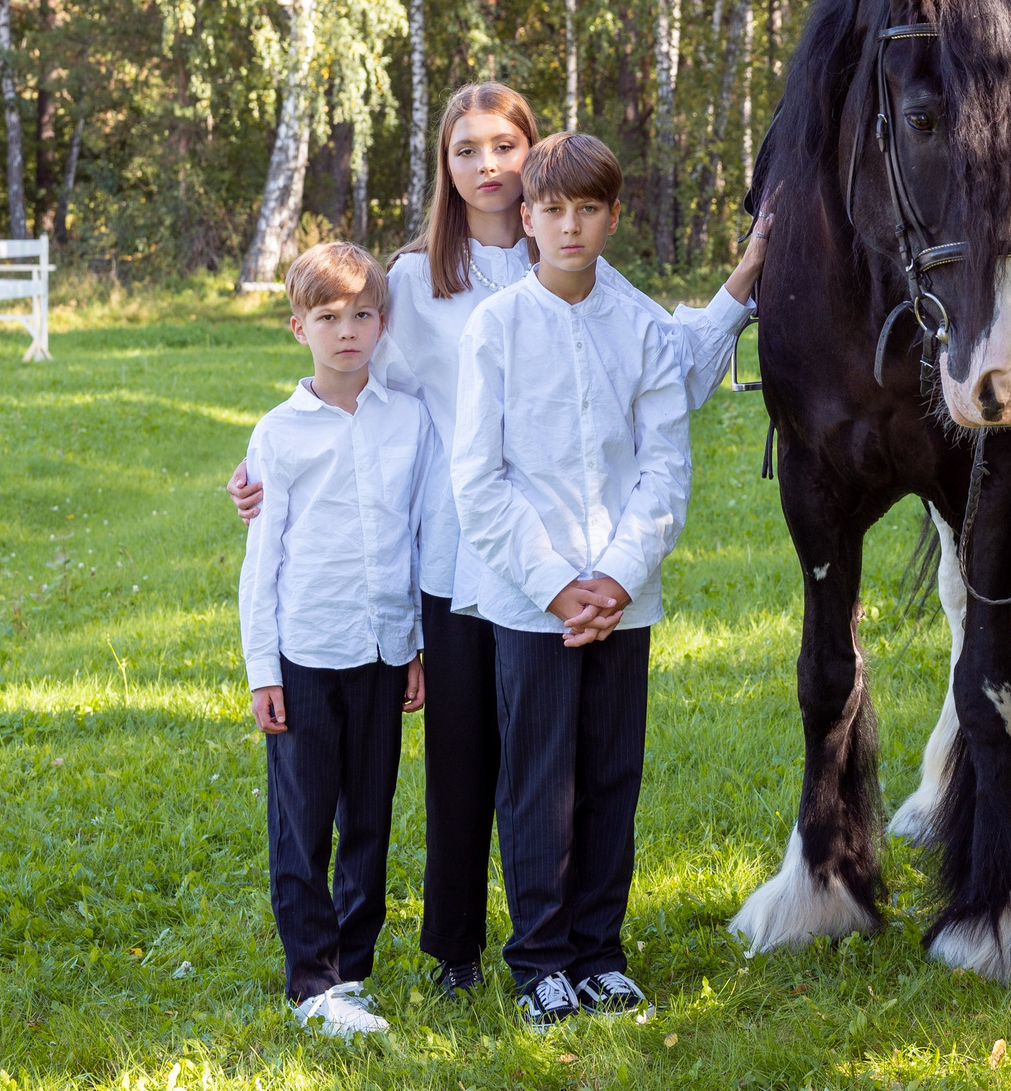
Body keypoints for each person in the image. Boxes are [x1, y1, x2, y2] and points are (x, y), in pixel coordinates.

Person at [230, 84, 772, 999]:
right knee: (463, 761)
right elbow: (351, 378)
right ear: (445, 167)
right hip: (452, 548)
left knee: (555, 761)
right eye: (466, 149)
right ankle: (457, 948)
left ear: (532, 157)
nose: (487, 164)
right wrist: (268, 462)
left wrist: (744, 280)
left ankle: (569, 942)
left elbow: (667, 366)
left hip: (557, 550)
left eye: (504, 145)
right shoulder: (414, 279)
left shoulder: (573, 257)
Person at [450, 133, 738, 1029]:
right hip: (529, 598)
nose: (570, 226)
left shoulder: (643, 327)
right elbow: (479, 477)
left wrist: (614, 576)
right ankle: (540, 957)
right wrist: (554, 584)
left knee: (612, 772)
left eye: (587, 209)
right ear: (527, 219)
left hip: (623, 597)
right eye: (553, 210)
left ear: (614, 216)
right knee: (539, 779)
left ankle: (599, 951)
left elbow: (664, 467)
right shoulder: (496, 327)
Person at [238, 242, 438, 1038]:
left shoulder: (409, 420)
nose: (347, 330)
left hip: (383, 651)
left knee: (370, 818)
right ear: (299, 327)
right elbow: (262, 560)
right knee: (304, 819)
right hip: (306, 653)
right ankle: (311, 983)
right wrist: (263, 669)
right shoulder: (279, 434)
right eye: (328, 316)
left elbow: (417, 537)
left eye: (361, 314)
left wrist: (414, 644)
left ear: (382, 322)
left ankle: (352, 969)